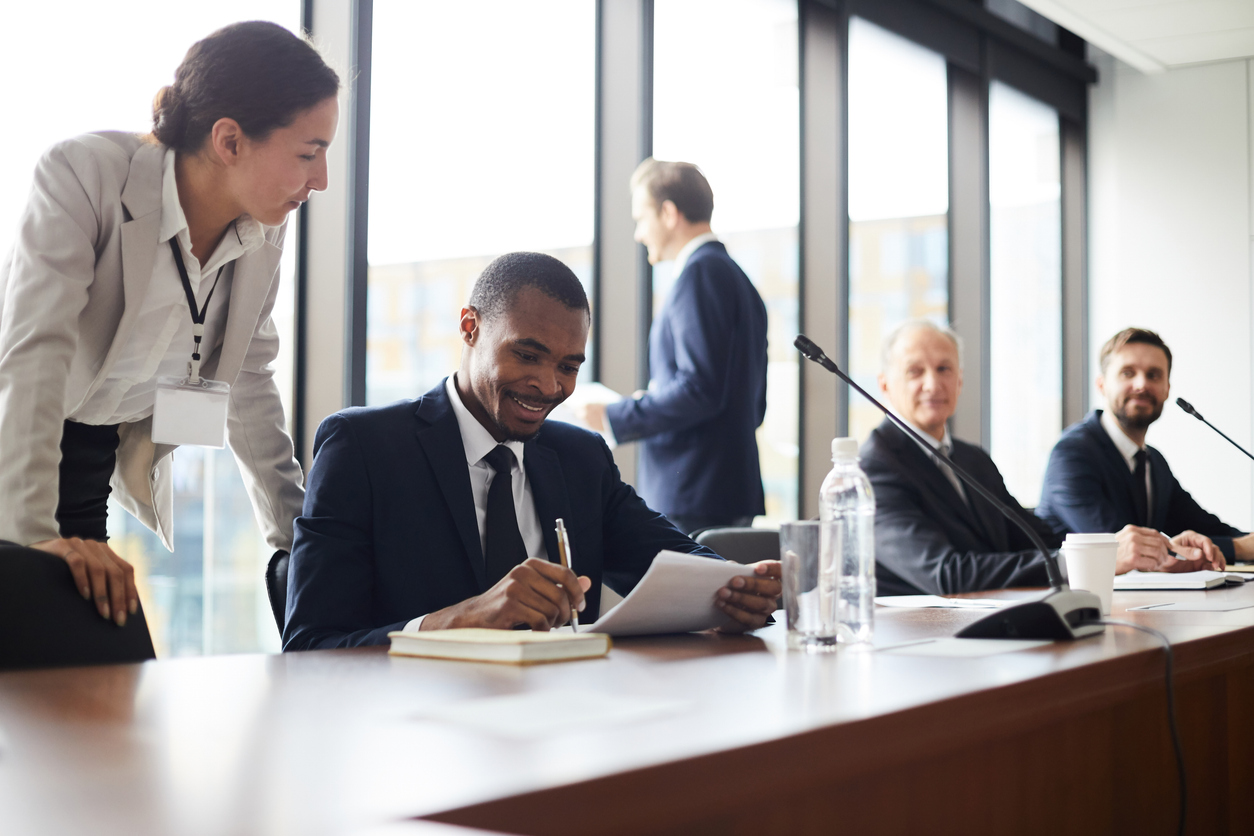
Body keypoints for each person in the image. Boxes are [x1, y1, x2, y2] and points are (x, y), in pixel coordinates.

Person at [0, 22, 339, 627]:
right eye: (308, 154)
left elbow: (249, 380)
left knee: (95, 686)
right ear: (229, 140)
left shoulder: (264, 226)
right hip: (14, 446)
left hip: (84, 459)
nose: (321, 180)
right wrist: (27, 539)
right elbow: (35, 352)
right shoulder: (83, 174)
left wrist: (303, 545)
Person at [282, 252, 781, 650]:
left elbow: (676, 563)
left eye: (569, 366)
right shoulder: (364, 449)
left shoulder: (581, 458)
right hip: (418, 743)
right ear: (470, 328)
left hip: (565, 731)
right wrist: (460, 620)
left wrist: (738, 590)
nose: (548, 385)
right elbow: (311, 644)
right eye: (527, 355)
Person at [860, 321, 1209, 598]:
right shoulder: (875, 467)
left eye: (944, 369)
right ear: (885, 385)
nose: (932, 383)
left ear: (961, 380)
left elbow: (1036, 539)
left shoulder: (971, 459)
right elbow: (945, 574)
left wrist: (1154, 549)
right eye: (914, 371)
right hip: (916, 650)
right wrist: (1092, 560)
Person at [575, 159, 768, 535]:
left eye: (640, 218)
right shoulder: (736, 278)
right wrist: (659, 398)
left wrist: (616, 416)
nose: (638, 233)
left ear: (668, 213)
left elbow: (700, 389)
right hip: (718, 487)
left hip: (695, 491)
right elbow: (748, 403)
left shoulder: (700, 275)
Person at [1038, 327, 1242, 568]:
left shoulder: (1154, 462)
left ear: (1167, 389)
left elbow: (1206, 527)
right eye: (1127, 373)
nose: (1141, 384)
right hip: (1073, 601)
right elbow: (1123, 547)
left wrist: (1244, 542)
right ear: (1102, 385)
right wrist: (1241, 548)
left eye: (1154, 375)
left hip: (1141, 601)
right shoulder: (1071, 454)